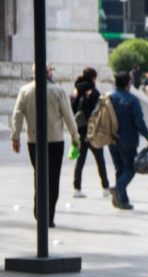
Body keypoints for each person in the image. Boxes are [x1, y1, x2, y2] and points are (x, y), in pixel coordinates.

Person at [11, 64, 80, 228]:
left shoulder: (25, 91)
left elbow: (17, 115)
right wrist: (75, 136)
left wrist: (15, 137)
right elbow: (69, 116)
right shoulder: (58, 91)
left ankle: (38, 209)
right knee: (53, 178)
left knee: (39, 174)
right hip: (55, 140)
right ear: (48, 72)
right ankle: (48, 216)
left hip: (33, 140)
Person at [108, 71, 148, 210]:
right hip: (128, 140)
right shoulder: (132, 100)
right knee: (130, 169)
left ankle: (121, 200)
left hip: (112, 139)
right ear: (128, 83)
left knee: (119, 169)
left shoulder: (109, 97)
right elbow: (139, 122)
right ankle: (118, 188)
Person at [71, 67, 110, 198]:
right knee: (100, 160)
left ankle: (77, 188)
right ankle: (105, 187)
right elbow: (99, 111)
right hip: (92, 132)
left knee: (80, 160)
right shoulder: (92, 91)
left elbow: (72, 108)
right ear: (93, 77)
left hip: (80, 130)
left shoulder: (76, 90)